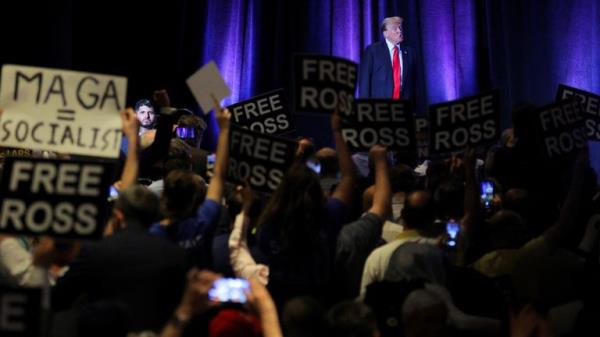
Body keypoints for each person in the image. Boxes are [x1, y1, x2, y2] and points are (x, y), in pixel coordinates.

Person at [358, 16, 416, 100]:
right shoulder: (372, 51)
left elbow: (415, 84)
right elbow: (364, 82)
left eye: (400, 28)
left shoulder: (410, 52)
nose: (399, 31)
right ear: (386, 33)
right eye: (395, 28)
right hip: (380, 105)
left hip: (404, 106)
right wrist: (364, 107)